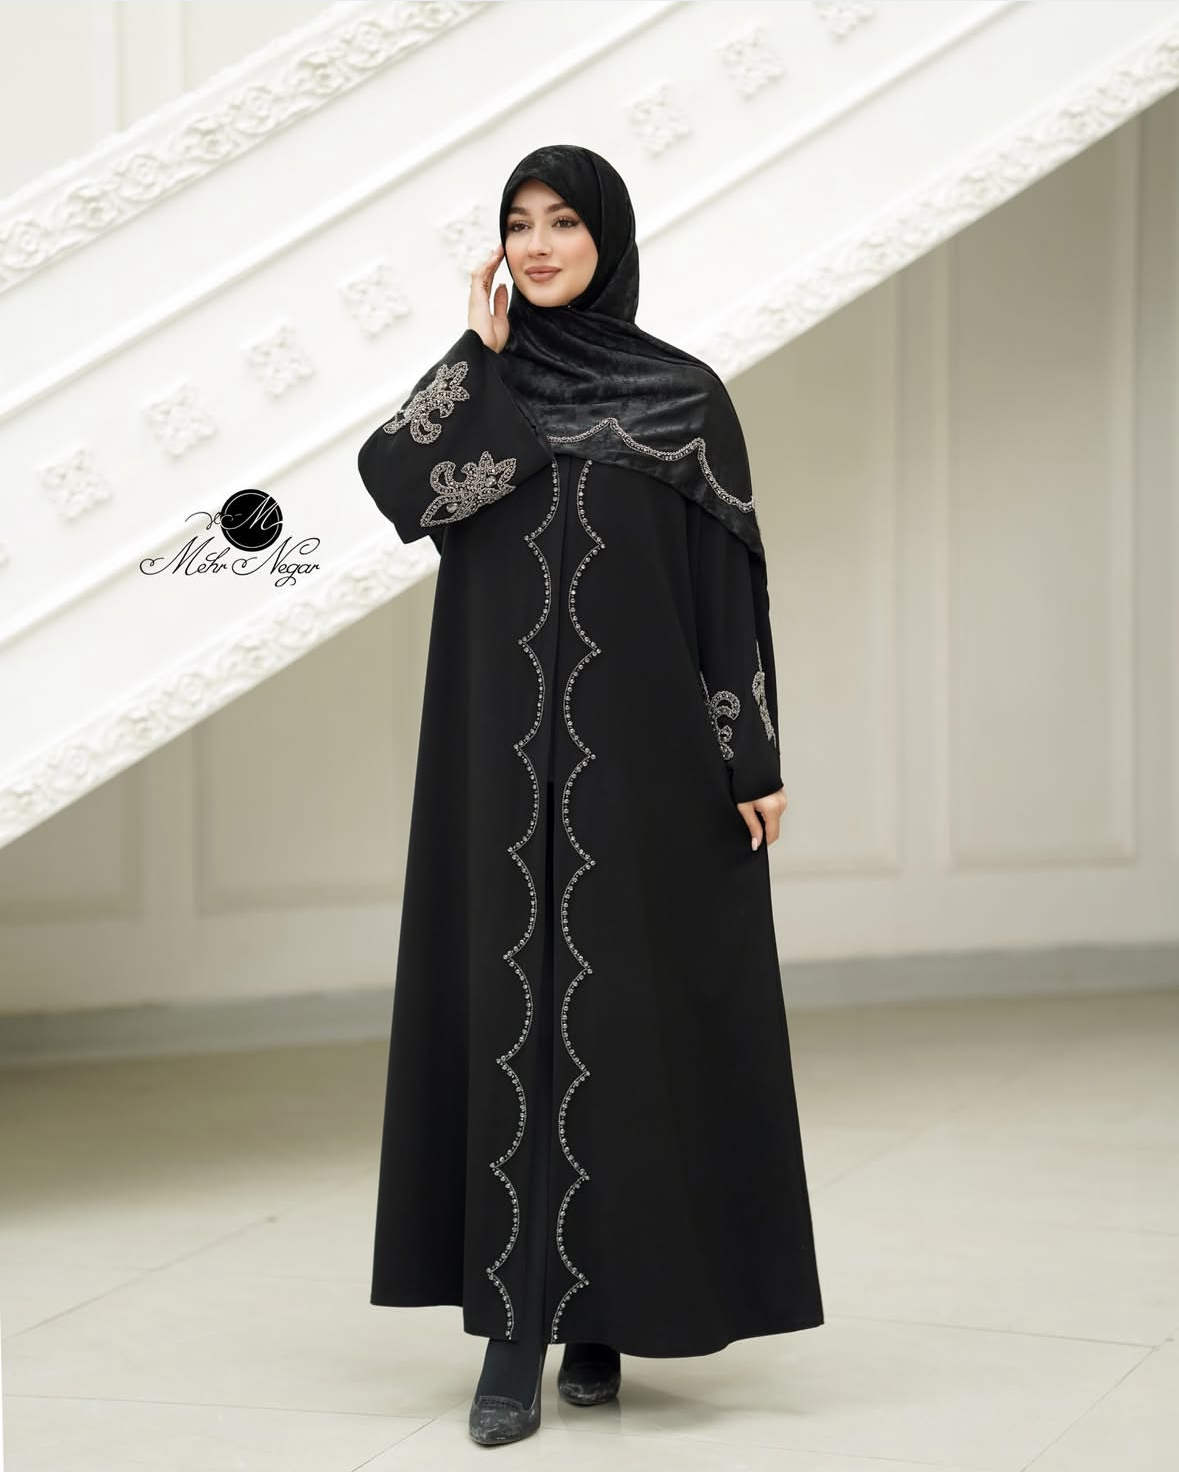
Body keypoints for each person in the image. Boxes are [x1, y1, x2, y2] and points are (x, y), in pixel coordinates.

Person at [356, 144, 824, 1447]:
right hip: (496, 767)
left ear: (606, 237)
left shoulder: (682, 397)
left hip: (646, 764)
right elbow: (400, 487)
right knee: (511, 1015)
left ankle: (607, 1308)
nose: (541, 243)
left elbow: (727, 591)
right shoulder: (487, 395)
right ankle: (511, 1338)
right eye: (519, 223)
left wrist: (752, 757)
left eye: (563, 221)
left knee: (627, 1024)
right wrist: (473, 352)